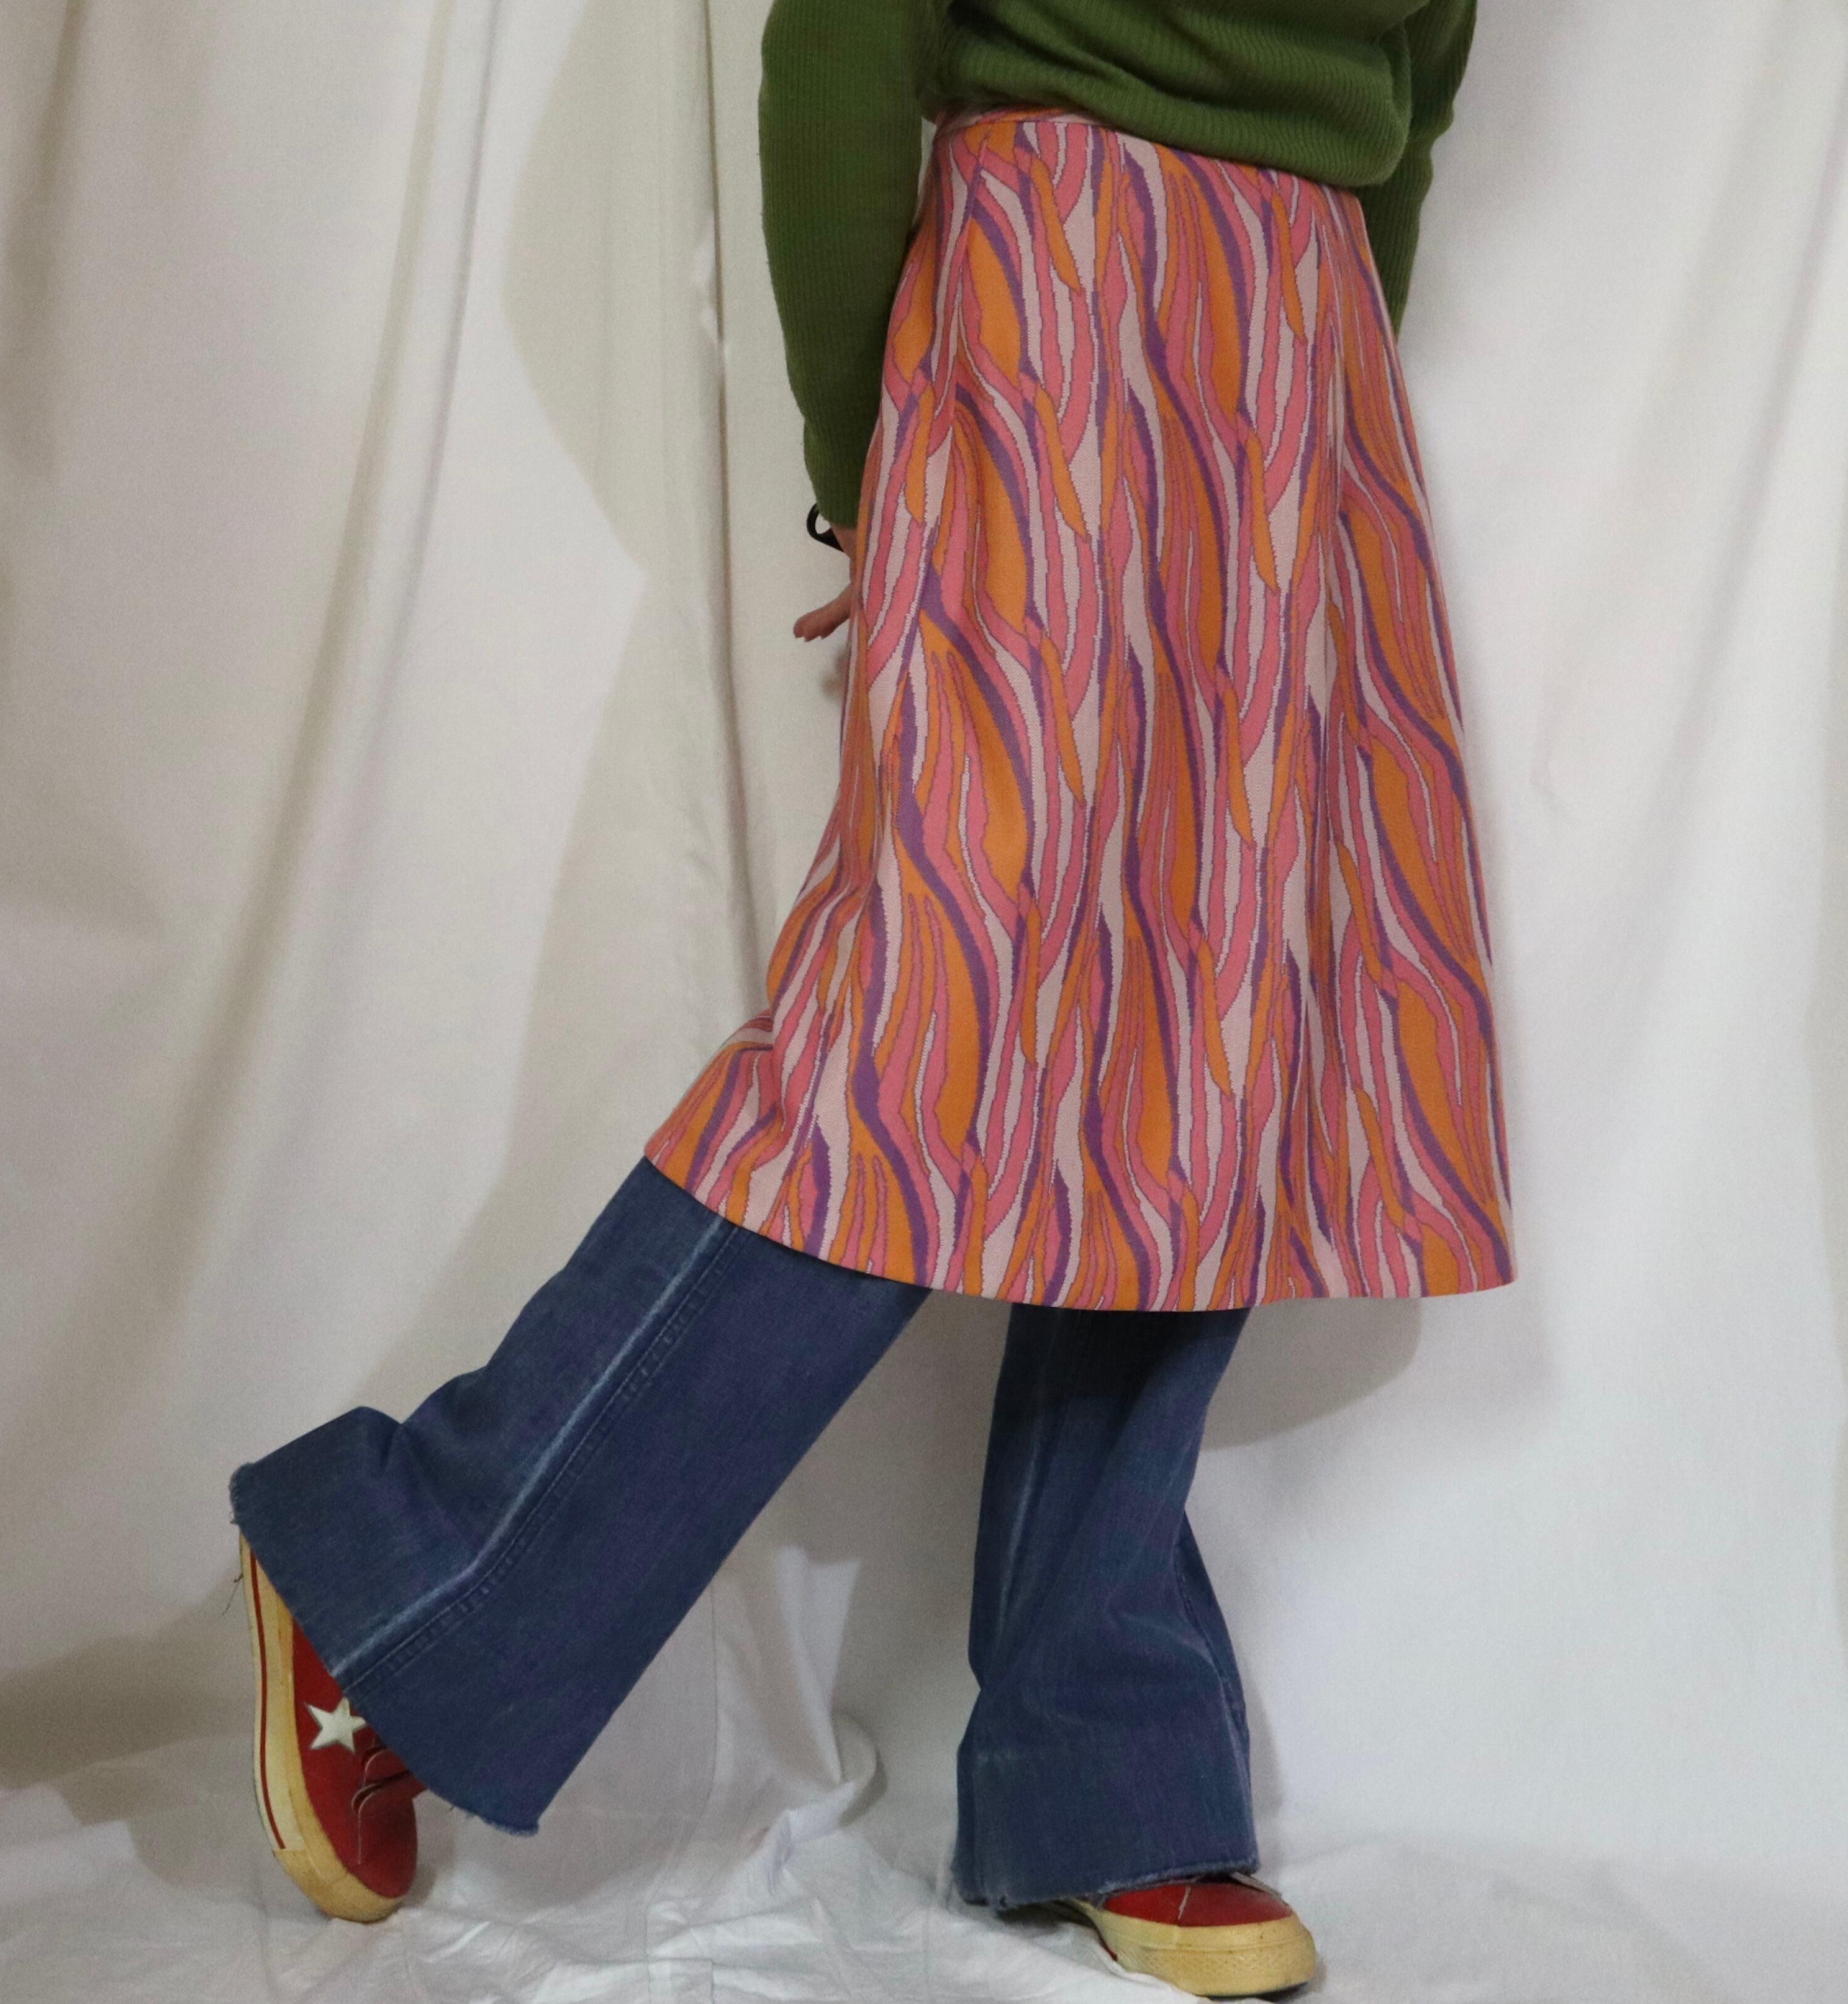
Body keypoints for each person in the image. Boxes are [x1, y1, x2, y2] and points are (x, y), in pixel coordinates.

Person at [230, 1, 1514, 1994]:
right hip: (1047, 287)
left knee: (1210, 1053)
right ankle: (415, 1573)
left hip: (1306, 343)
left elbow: (1406, 110)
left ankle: (1102, 1757)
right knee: (910, 1055)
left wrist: (1318, 393)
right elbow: (839, 38)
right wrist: (881, 434)